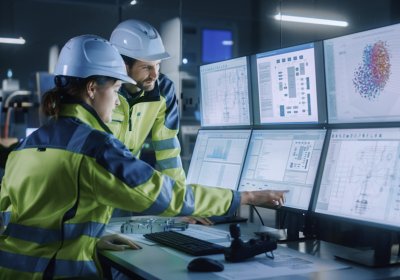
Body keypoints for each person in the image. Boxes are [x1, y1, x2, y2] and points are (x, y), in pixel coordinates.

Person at [0, 34, 287, 279]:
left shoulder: (26, 146)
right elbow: (163, 195)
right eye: (114, 89)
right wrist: (243, 198)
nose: (115, 101)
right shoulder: (94, 147)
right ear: (91, 89)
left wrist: (93, 240)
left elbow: (26, 220)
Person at [108, 19, 185, 191]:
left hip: (126, 186)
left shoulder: (164, 90)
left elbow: (168, 150)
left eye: (158, 65)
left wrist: (182, 199)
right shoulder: (103, 91)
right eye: (146, 68)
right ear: (124, 66)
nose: (155, 74)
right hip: (93, 185)